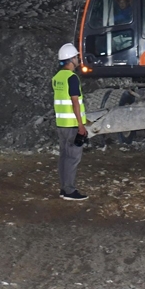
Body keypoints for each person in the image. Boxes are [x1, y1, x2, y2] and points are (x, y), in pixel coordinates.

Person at [53, 43, 88, 201]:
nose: (78, 60)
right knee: (73, 158)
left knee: (64, 156)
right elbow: (75, 103)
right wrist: (81, 126)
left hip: (61, 123)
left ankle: (63, 188)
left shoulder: (57, 77)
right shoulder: (72, 78)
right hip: (72, 124)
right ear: (71, 60)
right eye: (76, 57)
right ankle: (69, 190)